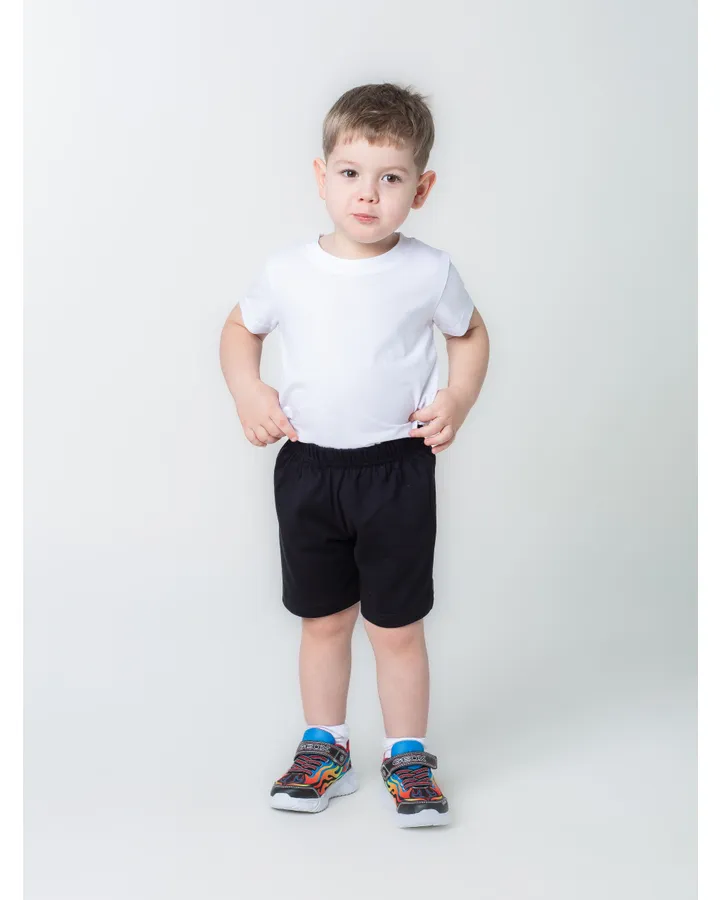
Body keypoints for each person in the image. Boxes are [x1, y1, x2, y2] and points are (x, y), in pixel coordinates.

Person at [219, 82, 490, 827]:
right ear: (321, 176)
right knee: (324, 621)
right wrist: (248, 390)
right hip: (311, 471)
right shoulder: (287, 270)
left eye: (390, 177)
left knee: (396, 628)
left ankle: (408, 755)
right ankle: (325, 747)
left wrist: (459, 399)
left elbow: (470, 334)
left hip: (395, 471)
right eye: (350, 173)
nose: (367, 194)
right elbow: (240, 329)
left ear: (420, 189)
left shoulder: (429, 271)